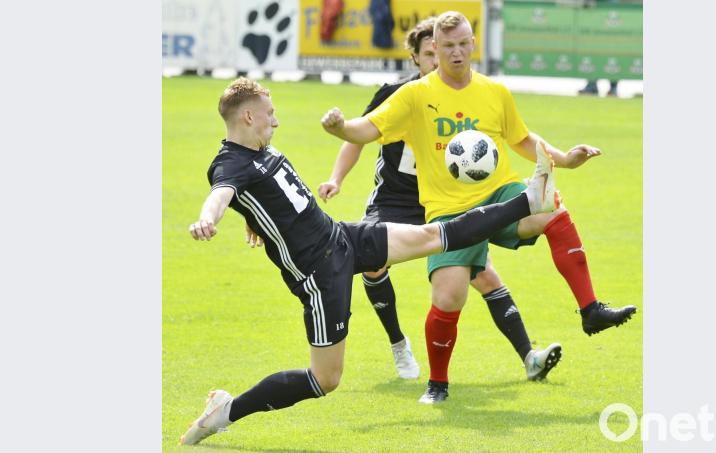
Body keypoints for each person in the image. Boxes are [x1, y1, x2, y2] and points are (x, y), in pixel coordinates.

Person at [180, 77, 559, 445]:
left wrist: (253, 219)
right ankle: (225, 412)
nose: (275, 120)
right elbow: (222, 193)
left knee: (435, 237)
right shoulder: (229, 163)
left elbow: (263, 194)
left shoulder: (260, 149)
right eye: (270, 113)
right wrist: (207, 219)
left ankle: (528, 200)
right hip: (319, 274)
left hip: (343, 237)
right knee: (325, 379)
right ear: (248, 118)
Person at [320, 11, 637, 404]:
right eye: (447, 46)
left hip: (499, 194)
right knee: (449, 297)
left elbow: (521, 139)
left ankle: (590, 308)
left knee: (550, 205)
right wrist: (340, 128)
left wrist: (564, 159)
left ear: (474, 44)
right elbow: (366, 130)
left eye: (462, 44)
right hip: (450, 213)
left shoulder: (494, 92)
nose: (455, 52)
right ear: (434, 48)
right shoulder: (414, 95)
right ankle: (437, 384)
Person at [317, 17, 559, 383]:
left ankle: (530, 356)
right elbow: (359, 136)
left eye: (441, 51)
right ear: (415, 57)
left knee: (485, 276)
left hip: (446, 200)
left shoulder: (464, 92)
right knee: (371, 262)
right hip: (395, 200)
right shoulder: (400, 94)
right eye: (431, 53)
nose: (439, 59)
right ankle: (399, 344)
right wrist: (336, 178)